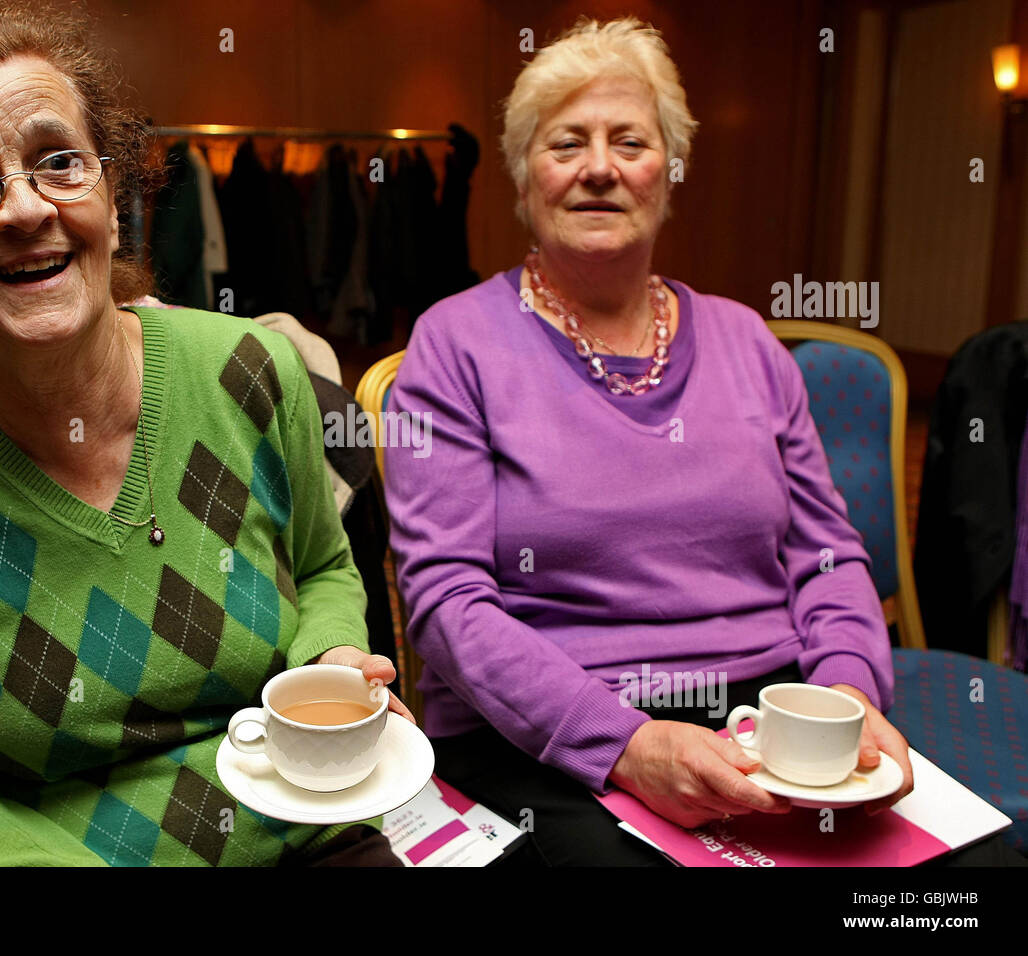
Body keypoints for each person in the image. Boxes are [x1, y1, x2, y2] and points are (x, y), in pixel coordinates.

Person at [384, 17, 1023, 866]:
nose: (600, 168)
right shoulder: (455, 343)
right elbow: (446, 598)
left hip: (771, 717)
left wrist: (847, 691)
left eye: (630, 141)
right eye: (567, 143)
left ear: (669, 171)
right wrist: (626, 745)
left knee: (967, 885)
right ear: (523, 176)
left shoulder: (747, 342)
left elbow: (827, 555)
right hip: (552, 732)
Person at [0, 0, 408, 867]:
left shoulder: (251, 370)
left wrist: (334, 653)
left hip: (313, 837)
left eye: (58, 162)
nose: (22, 209)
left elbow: (321, 566)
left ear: (114, 202)